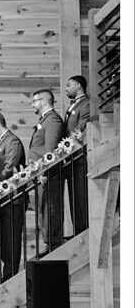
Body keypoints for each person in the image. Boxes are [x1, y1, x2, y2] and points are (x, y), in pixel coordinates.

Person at [0, 111, 26, 281]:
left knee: (11, 238)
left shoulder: (12, 141)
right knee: (3, 239)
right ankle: (6, 272)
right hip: (3, 198)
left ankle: (10, 274)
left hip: (13, 198)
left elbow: (10, 166)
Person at [28, 89, 65, 250]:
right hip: (41, 173)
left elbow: (50, 150)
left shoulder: (52, 120)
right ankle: (48, 242)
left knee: (50, 209)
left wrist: (43, 172)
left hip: (49, 174)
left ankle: (53, 243)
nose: (32, 104)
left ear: (43, 101)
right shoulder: (45, 120)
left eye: (34, 101)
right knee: (43, 209)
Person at [63, 75, 90, 234]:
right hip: (70, 157)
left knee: (80, 196)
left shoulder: (85, 104)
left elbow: (80, 127)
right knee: (74, 196)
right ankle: (77, 229)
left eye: (69, 85)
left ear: (78, 85)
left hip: (79, 156)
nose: (67, 88)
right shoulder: (74, 105)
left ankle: (82, 229)